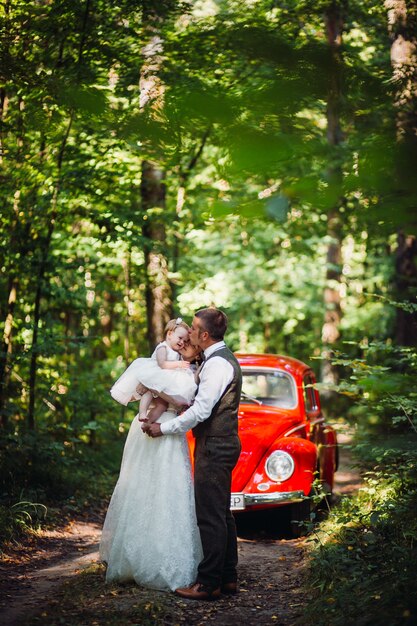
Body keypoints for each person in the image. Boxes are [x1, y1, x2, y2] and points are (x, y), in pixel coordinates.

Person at [143, 307, 242, 601]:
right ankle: (228, 578)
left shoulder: (217, 365)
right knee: (222, 513)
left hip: (215, 444)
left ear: (205, 335)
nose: (191, 332)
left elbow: (202, 411)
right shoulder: (216, 359)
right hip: (219, 441)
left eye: (195, 328)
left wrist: (165, 428)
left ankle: (208, 583)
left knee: (209, 516)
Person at [99, 334, 203, 591]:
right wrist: (160, 394)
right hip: (151, 428)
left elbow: (183, 401)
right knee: (141, 485)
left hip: (169, 432)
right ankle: (133, 558)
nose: (184, 344)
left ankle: (166, 561)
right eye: (182, 340)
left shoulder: (194, 372)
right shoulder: (163, 359)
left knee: (170, 490)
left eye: (189, 343)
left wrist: (166, 395)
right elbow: (148, 383)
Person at [110, 318, 197, 424]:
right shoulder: (163, 347)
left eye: (186, 342)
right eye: (180, 338)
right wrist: (178, 364)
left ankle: (147, 422)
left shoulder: (183, 361)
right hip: (157, 373)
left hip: (169, 411)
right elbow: (162, 364)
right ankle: (143, 413)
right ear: (169, 334)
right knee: (150, 392)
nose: (182, 343)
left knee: (161, 404)